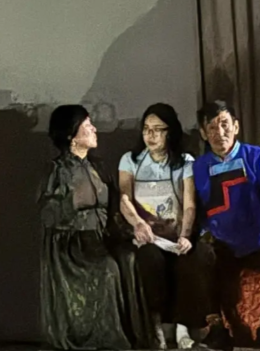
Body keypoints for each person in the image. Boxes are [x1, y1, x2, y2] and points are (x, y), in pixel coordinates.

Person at [187, 100, 260, 347]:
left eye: (224, 124)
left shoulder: (256, 157)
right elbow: (196, 206)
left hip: (258, 240)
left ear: (236, 126)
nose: (219, 132)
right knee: (200, 258)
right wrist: (202, 232)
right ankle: (217, 328)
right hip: (223, 244)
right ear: (203, 133)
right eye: (212, 127)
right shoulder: (199, 167)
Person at [39, 104, 133, 350]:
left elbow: (114, 206)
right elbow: (48, 215)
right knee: (107, 268)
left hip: (102, 236)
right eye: (87, 125)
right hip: (72, 243)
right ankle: (98, 338)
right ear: (72, 135)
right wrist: (72, 201)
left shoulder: (98, 167)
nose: (94, 129)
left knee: (130, 259)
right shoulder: (57, 171)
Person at [117, 103, 197, 349]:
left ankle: (183, 328)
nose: (150, 135)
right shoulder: (130, 161)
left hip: (176, 234)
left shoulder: (185, 162)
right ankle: (157, 328)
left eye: (157, 129)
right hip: (148, 236)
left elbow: (189, 204)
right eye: (146, 129)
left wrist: (185, 235)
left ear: (170, 132)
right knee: (151, 261)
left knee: (189, 262)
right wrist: (139, 224)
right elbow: (124, 199)